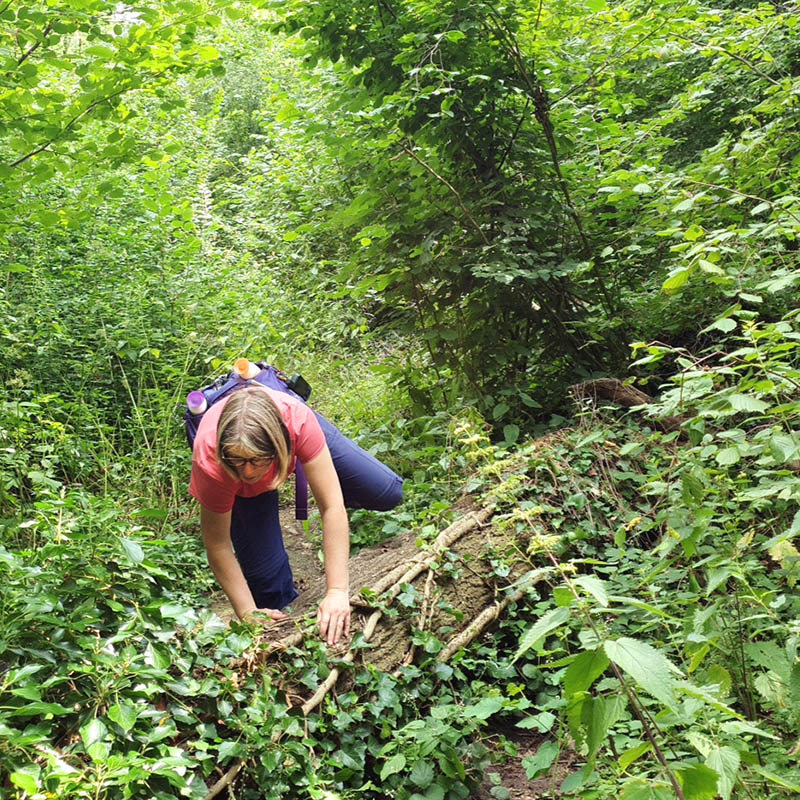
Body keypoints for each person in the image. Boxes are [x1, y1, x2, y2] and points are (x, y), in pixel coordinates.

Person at [189, 384, 351, 645]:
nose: (249, 472)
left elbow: (331, 506)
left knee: (384, 491)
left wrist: (338, 591)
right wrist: (247, 612)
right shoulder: (212, 459)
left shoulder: (298, 423)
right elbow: (218, 544)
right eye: (239, 460)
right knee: (268, 585)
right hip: (230, 470)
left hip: (294, 430)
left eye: (257, 460)